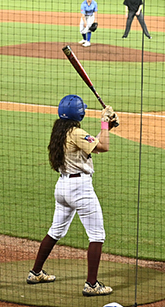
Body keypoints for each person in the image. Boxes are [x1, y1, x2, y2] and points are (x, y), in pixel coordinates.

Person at [26, 95, 118, 296]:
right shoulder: (76, 132)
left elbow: (93, 144)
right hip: (80, 189)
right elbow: (103, 147)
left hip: (62, 187)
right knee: (97, 235)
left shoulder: (59, 131)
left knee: (55, 231)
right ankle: (92, 285)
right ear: (81, 113)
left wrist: (107, 128)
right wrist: (103, 121)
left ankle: (36, 272)